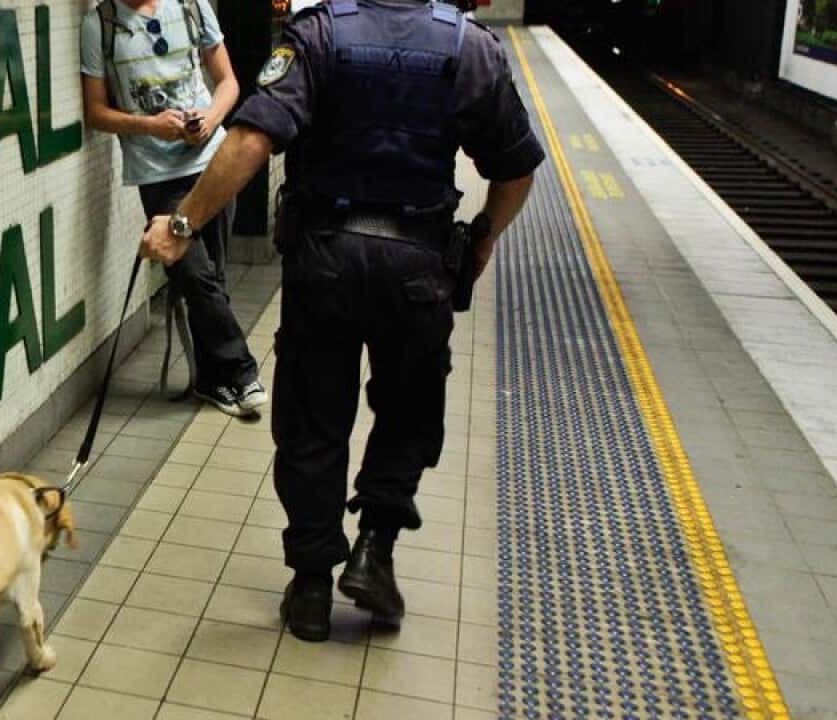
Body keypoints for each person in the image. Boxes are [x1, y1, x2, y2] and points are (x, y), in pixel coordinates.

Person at [139, 0, 545, 642]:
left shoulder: (319, 33)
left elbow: (250, 139)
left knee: (311, 422)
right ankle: (374, 551)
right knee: (408, 413)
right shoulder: (470, 47)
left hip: (324, 262)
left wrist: (182, 224)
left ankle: (309, 589)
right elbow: (517, 166)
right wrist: (483, 239)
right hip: (419, 268)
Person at [81, 0, 266, 417]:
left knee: (211, 278)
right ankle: (241, 372)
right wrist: (149, 125)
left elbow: (228, 83)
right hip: (156, 173)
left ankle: (208, 380)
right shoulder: (100, 25)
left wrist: (210, 118)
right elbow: (94, 112)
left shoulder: (192, 6)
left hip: (212, 163)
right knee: (194, 273)